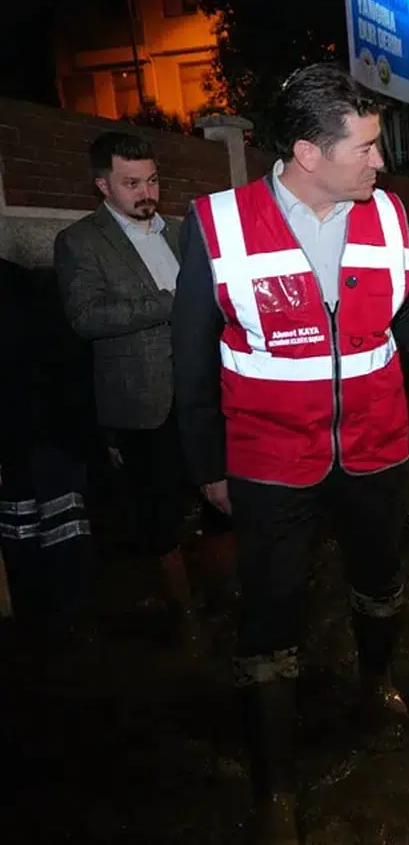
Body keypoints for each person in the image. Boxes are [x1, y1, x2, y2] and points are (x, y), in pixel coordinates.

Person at [170, 64, 409, 842]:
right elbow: (189, 360)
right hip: (266, 459)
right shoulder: (217, 224)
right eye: (364, 147)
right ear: (305, 152)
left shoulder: (388, 215)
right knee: (270, 614)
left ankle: (376, 681)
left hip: (373, 444)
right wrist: (207, 468)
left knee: (380, 579)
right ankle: (275, 790)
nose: (379, 162)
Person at [53, 131, 232, 642]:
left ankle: (222, 596)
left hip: (203, 393)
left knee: (220, 495)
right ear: (102, 185)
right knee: (158, 513)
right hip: (141, 403)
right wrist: (170, 302)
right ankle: (186, 616)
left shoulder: (181, 231)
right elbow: (85, 317)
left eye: (152, 180)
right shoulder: (80, 241)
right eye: (131, 183)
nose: (146, 192)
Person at [0, 257, 97, 636]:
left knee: (56, 525)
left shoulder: (23, 286)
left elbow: (57, 359)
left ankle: (62, 616)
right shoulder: (22, 283)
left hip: (41, 428)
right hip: (30, 430)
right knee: (21, 524)